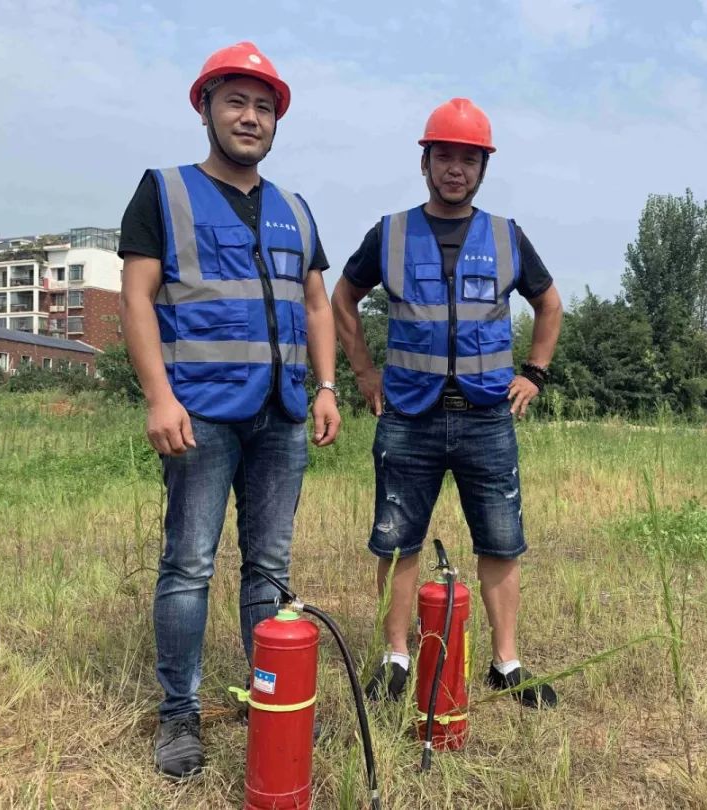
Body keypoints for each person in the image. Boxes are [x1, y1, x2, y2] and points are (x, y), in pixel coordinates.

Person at [118, 41, 340, 779]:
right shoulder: (164, 191)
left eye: (264, 107)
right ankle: (178, 715)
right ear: (206, 107)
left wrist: (328, 388)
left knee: (269, 568)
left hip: (280, 416)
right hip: (200, 415)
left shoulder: (295, 209)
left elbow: (316, 306)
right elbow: (137, 299)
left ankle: (268, 699)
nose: (251, 117)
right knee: (188, 566)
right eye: (237, 102)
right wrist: (158, 396)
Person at [332, 97, 564, 710]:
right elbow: (342, 299)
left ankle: (506, 663)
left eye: (468, 158)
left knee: (501, 541)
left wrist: (535, 372)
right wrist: (363, 374)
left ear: (482, 167)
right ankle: (395, 657)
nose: (455, 168)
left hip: (488, 417)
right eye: (444, 157)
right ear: (425, 162)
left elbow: (550, 305)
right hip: (408, 414)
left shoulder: (507, 236)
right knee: (397, 540)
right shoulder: (391, 233)